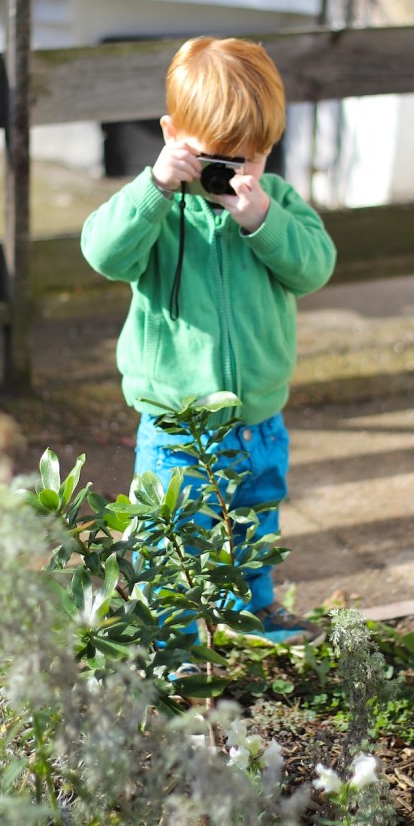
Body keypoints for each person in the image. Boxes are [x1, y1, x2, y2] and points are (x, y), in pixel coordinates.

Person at [81, 36, 336, 645]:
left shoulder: (278, 206)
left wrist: (262, 222)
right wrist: (157, 185)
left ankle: (250, 612)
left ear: (268, 149)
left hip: (259, 417)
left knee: (254, 515)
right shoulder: (159, 211)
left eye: (248, 160)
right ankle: (169, 643)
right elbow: (102, 253)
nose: (232, 174)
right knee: (170, 534)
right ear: (173, 135)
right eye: (217, 159)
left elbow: (315, 267)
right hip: (178, 422)